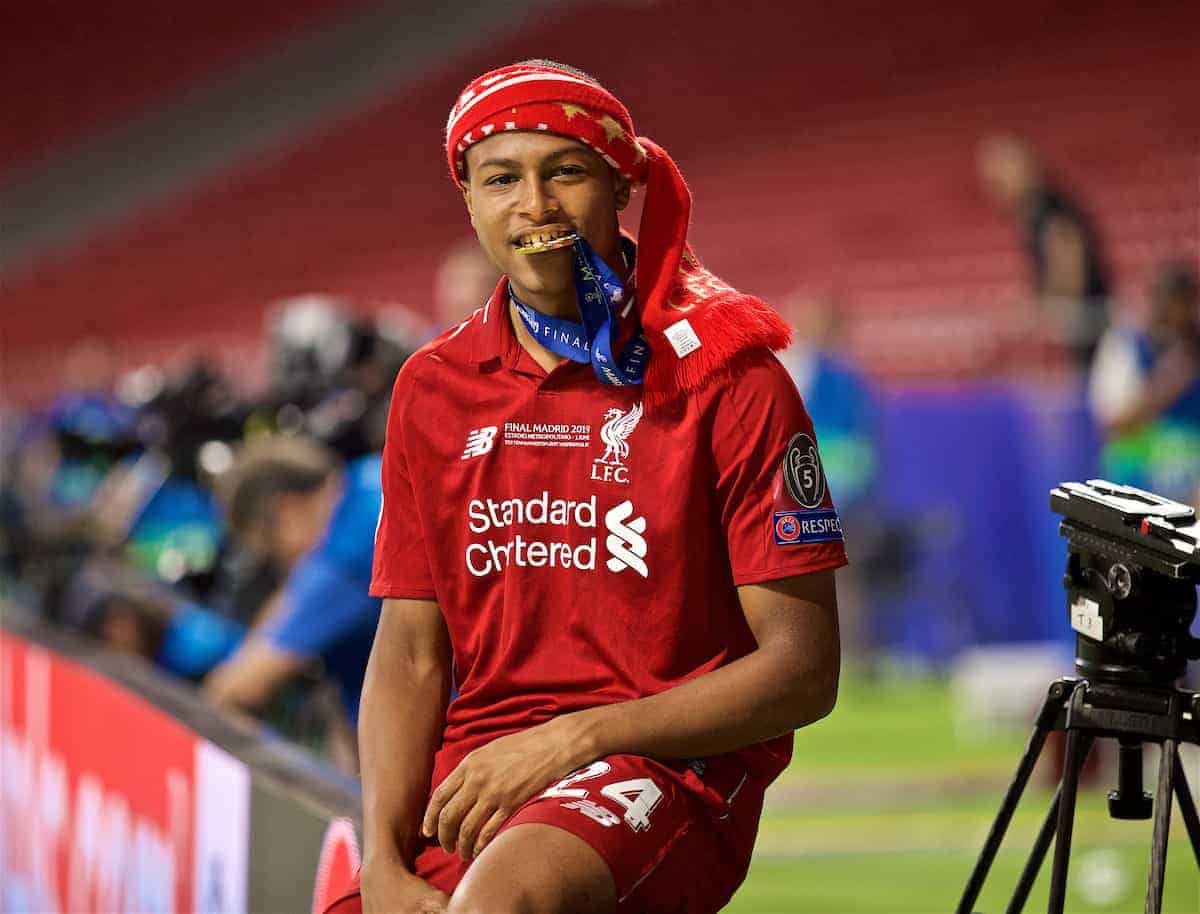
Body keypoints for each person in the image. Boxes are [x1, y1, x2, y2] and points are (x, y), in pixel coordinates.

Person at [334, 60, 845, 914]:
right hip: (484, 773)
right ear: (467, 199)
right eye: (502, 179)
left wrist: (575, 738)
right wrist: (381, 860)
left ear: (619, 186)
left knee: (503, 903)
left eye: (564, 172)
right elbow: (411, 653)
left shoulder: (733, 379)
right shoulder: (431, 386)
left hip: (668, 771)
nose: (534, 206)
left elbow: (803, 670)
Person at [203, 436, 383, 744]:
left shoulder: (348, 550)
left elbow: (239, 688)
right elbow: (292, 599)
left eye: (271, 550)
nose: (284, 567)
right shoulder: (367, 475)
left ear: (285, 512)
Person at [978, 134, 1112, 370]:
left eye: (1002, 171)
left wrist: (1049, 307)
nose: (995, 181)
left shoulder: (1048, 205)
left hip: (1088, 320)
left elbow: (1069, 259)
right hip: (1076, 320)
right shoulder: (1029, 211)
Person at [1089, 260, 1200, 504]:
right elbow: (1112, 421)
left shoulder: (1194, 351)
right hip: (1137, 484)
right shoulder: (1125, 346)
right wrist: (1166, 384)